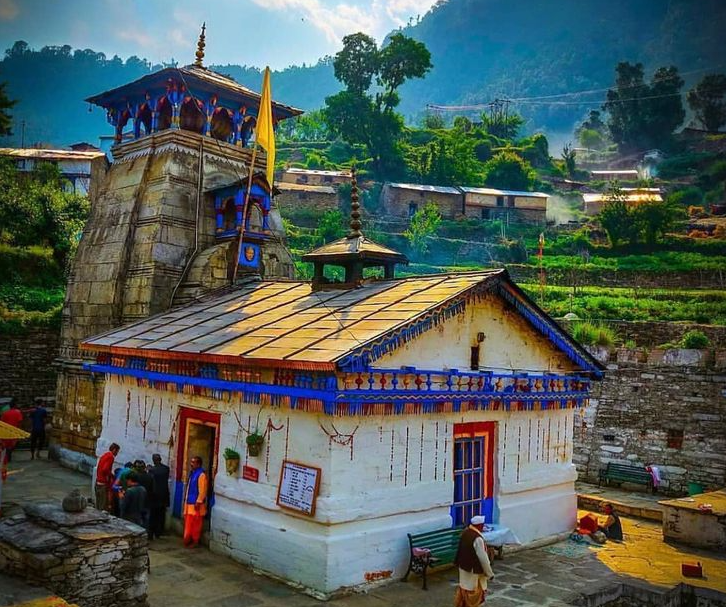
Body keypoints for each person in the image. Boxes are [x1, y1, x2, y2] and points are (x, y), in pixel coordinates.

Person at [454, 515, 495, 607]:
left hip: (464, 567)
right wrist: (490, 574)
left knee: (464, 589)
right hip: (474, 571)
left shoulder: (465, 533)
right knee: (475, 594)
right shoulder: (477, 539)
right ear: (479, 526)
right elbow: (483, 558)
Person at [183, 455, 208, 548]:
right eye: (191, 462)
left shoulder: (201, 475)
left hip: (196, 504)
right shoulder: (192, 473)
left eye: (193, 462)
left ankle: (195, 540)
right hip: (189, 502)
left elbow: (202, 490)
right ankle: (188, 539)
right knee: (189, 522)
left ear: (198, 464)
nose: (191, 464)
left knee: (196, 524)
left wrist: (199, 501)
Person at [148, 453, 170, 539]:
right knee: (161, 515)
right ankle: (158, 532)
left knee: (153, 515)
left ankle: (151, 533)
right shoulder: (166, 469)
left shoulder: (152, 470)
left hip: (155, 495)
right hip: (164, 495)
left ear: (154, 460)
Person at [95, 443, 120, 512]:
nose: (117, 453)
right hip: (103, 483)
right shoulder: (110, 457)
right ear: (114, 450)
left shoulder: (104, 455)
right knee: (103, 506)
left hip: (98, 481)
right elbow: (105, 469)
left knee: (98, 504)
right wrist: (112, 475)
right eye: (117, 451)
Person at [133, 460, 154, 537]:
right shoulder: (150, 477)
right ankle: (146, 535)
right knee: (146, 519)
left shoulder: (136, 476)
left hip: (137, 500)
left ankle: (138, 535)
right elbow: (152, 489)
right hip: (147, 500)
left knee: (137, 518)